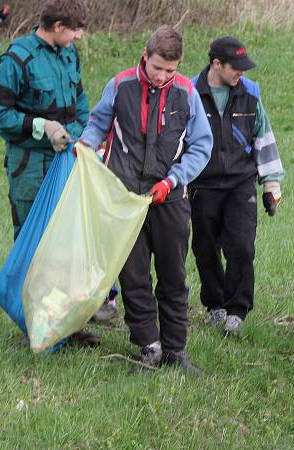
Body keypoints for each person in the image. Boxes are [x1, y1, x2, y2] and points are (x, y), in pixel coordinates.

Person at [78, 25, 213, 374]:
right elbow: (97, 123)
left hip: (169, 199)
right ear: (145, 55)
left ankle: (175, 350)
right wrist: (86, 147)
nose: (162, 76)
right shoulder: (120, 84)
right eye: (157, 68)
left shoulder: (187, 93)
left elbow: (201, 146)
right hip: (123, 200)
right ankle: (148, 348)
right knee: (133, 277)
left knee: (173, 276)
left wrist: (173, 180)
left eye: (171, 69)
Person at [0, 0, 99, 347]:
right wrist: (41, 127)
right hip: (30, 169)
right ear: (58, 25)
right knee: (34, 246)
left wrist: (76, 133)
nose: (78, 36)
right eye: (75, 29)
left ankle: (68, 325)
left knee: (66, 247)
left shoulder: (68, 55)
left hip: (67, 163)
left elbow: (81, 106)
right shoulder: (17, 59)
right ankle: (35, 327)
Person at [189, 36, 285, 336]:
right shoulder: (190, 93)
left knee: (241, 247)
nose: (240, 73)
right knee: (205, 248)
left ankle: (236, 310)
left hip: (240, 183)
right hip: (201, 185)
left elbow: (263, 136)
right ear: (216, 64)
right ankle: (215, 305)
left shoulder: (250, 93)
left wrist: (271, 182)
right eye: (235, 67)